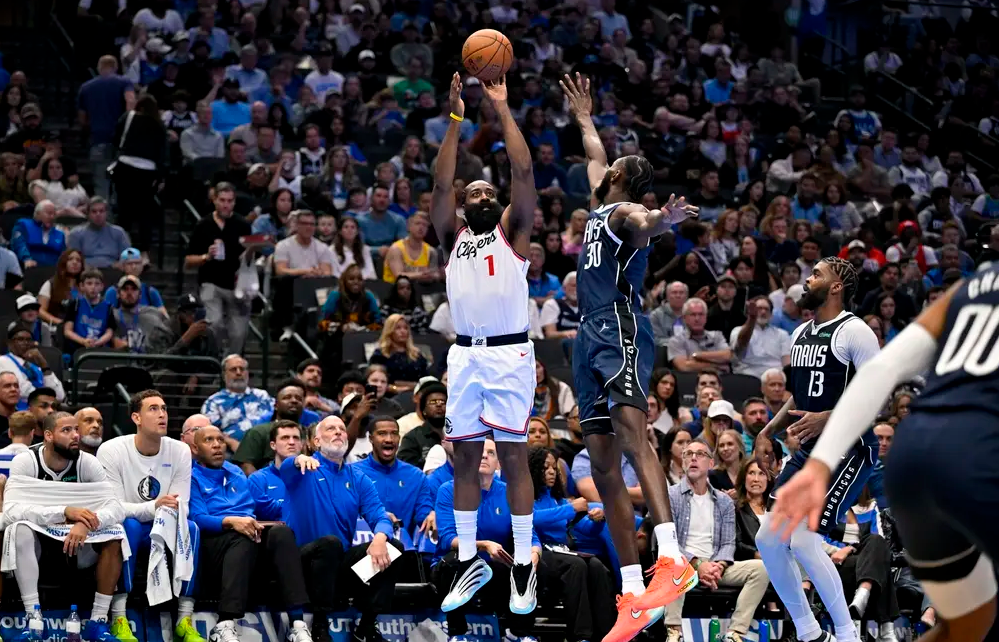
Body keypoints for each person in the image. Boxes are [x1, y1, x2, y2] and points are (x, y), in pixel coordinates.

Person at [770, 259, 999, 641]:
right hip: (974, 452)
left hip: (917, 453)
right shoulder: (804, 334)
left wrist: (820, 460)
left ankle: (837, 634)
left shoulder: (976, 284)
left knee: (969, 619)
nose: (809, 278)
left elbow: (881, 373)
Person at [560, 72, 699, 642]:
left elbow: (644, 223)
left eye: (613, 165)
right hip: (587, 334)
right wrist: (584, 116)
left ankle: (671, 557)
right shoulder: (600, 204)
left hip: (618, 324)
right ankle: (635, 592)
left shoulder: (623, 214)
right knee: (599, 461)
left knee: (633, 435)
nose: (604, 165)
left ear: (621, 177)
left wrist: (663, 219)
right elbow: (595, 152)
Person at [427, 72, 541, 615]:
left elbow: (523, 170)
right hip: (465, 355)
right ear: (462, 203)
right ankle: (469, 560)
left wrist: (501, 107)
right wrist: (456, 117)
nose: (484, 195)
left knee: (514, 457)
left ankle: (522, 565)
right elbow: (439, 183)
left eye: (489, 193)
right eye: (474, 192)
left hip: (509, 353)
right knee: (465, 459)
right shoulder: (451, 238)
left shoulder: (513, 233)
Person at [751, 256, 882, 642]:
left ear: (837, 286)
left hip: (849, 447)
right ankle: (810, 632)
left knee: (804, 542)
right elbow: (799, 397)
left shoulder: (855, 331)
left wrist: (829, 417)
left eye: (816, 275)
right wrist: (768, 431)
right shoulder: (800, 334)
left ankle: (846, 634)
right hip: (811, 452)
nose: (807, 280)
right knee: (768, 539)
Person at [278, 416, 403, 642]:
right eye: (330, 429)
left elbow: (379, 515)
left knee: (393, 547)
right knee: (330, 543)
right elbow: (287, 467)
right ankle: (319, 624)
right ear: (316, 441)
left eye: (342, 429)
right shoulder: (302, 469)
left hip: (338, 568)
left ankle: (366, 627)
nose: (338, 432)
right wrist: (298, 460)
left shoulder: (358, 478)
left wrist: (380, 538)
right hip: (301, 566)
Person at [5, 412, 124, 642]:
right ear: (48, 435)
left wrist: (85, 522)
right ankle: (34, 619)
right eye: (66, 430)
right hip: (38, 545)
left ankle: (98, 621)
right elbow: (11, 510)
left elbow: (115, 507)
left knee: (116, 533)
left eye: (76, 429)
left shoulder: (88, 462)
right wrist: (64, 511)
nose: (75, 435)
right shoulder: (26, 461)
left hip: (79, 544)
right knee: (18, 529)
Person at [188, 425, 313, 642]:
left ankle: (297, 623)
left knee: (281, 534)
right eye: (209, 440)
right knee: (242, 536)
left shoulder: (235, 472)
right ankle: (224, 623)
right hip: (213, 547)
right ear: (195, 449)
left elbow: (251, 509)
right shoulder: (191, 476)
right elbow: (198, 518)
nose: (217, 445)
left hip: (245, 542)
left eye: (220, 440)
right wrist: (231, 522)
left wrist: (251, 522)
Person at [96, 390, 202, 642]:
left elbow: (181, 504)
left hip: (164, 524)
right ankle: (119, 617)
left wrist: (159, 512)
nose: (162, 414)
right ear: (136, 418)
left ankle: (185, 619)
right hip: (127, 526)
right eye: (153, 409)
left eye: (164, 408)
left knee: (192, 527)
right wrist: (154, 507)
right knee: (130, 526)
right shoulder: (111, 450)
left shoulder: (180, 450)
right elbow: (113, 508)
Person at [434, 439, 543, 641]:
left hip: (498, 564)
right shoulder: (449, 489)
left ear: (498, 463)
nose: (484, 455)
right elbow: (448, 538)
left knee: (529, 565)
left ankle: (518, 634)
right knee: (453, 564)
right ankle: (458, 634)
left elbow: (531, 535)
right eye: (480, 451)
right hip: (458, 561)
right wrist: (484, 545)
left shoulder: (510, 492)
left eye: (491, 453)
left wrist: (534, 552)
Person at [664, 438, 770, 642]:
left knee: (761, 569)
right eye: (688, 454)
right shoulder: (670, 496)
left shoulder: (724, 501)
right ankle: (674, 632)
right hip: (684, 564)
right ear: (683, 462)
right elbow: (669, 542)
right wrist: (698, 564)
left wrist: (718, 566)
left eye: (700, 454)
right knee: (673, 565)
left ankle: (735, 633)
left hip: (716, 566)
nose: (693, 458)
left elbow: (728, 543)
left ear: (711, 463)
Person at [184, 183, 253, 354]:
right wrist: (206, 256)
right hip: (210, 282)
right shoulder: (203, 224)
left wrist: (251, 252)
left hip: (236, 284)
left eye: (229, 201)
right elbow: (188, 261)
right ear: (214, 200)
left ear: (234, 202)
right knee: (214, 323)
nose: (226, 205)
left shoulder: (243, 225)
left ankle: (231, 363)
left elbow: (249, 257)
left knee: (239, 333)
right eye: (222, 200)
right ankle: (214, 360)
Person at [353, 416, 436, 536]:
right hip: (362, 543)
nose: (389, 439)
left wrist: (431, 515)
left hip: (404, 545)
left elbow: (424, 514)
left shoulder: (416, 476)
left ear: (399, 438)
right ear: (371, 439)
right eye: (382, 434)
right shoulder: (353, 473)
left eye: (394, 434)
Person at [201, 354, 274, 447]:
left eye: (242, 369)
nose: (238, 373)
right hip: (229, 449)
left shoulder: (262, 396)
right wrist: (231, 442)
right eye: (233, 369)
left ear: (247, 373)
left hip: (266, 445)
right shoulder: (213, 402)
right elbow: (209, 432)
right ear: (224, 375)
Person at [0, 322, 65, 406]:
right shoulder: (3, 361)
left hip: (41, 409)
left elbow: (59, 396)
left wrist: (44, 365)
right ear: (10, 343)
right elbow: (23, 391)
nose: (25, 343)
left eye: (29, 340)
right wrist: (48, 397)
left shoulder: (36, 368)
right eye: (20, 339)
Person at [63, 268, 119, 354]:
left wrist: (97, 343)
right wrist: (83, 341)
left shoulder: (108, 307)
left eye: (97, 284)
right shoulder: (75, 304)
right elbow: (67, 331)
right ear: (82, 286)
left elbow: (109, 332)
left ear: (102, 286)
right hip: (77, 349)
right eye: (89, 283)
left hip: (99, 349)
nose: (93, 287)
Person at [397, 380, 447, 469]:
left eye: (443, 401)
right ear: (424, 410)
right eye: (433, 402)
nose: (439, 405)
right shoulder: (412, 438)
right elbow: (407, 470)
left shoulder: (457, 434)